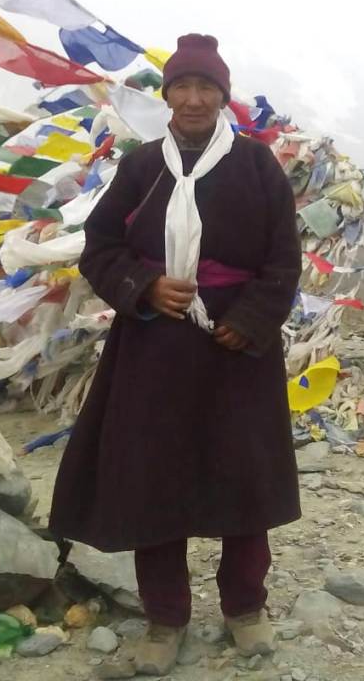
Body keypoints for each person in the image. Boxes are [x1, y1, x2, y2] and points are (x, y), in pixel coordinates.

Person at [50, 34, 302, 671]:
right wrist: (143, 287)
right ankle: (166, 619)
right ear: (166, 97)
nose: (193, 99)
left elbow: (282, 259)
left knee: (242, 478)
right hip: (153, 348)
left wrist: (249, 320)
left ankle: (245, 606)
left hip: (236, 352)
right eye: (182, 87)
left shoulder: (256, 166)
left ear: (223, 97)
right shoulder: (141, 167)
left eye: (206, 88)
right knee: (151, 479)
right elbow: (100, 248)